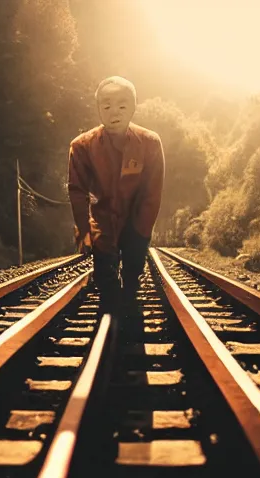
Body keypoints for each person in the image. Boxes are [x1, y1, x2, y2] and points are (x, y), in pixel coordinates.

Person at [67, 76, 165, 311]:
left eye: (122, 106)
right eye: (107, 105)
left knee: (132, 275)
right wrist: (84, 233)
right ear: (98, 108)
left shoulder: (150, 143)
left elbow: (152, 192)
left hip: (137, 218)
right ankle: (110, 320)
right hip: (101, 221)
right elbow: (77, 191)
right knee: (106, 283)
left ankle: (129, 308)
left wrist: (141, 231)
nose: (114, 113)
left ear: (133, 107)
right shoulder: (81, 146)